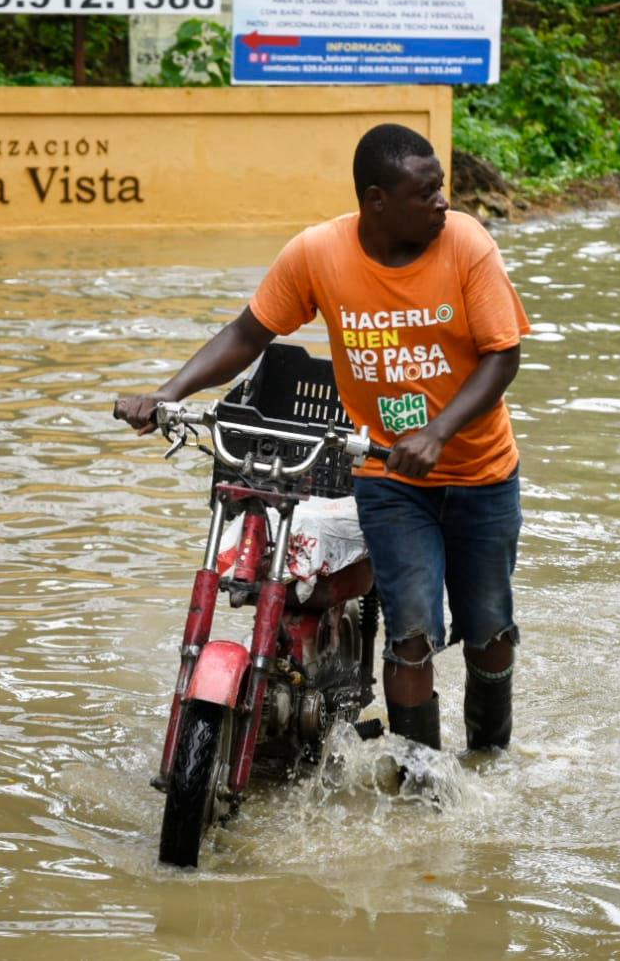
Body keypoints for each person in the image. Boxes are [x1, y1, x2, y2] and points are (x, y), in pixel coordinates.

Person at [114, 123, 530, 753]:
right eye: (427, 193)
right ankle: (423, 781)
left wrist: (439, 433)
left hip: (481, 473)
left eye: (441, 188)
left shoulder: (467, 244)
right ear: (376, 201)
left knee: (489, 632)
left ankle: (489, 760)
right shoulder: (318, 253)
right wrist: (170, 393)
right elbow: (248, 335)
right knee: (411, 635)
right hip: (390, 479)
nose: (444, 203)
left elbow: (503, 355)